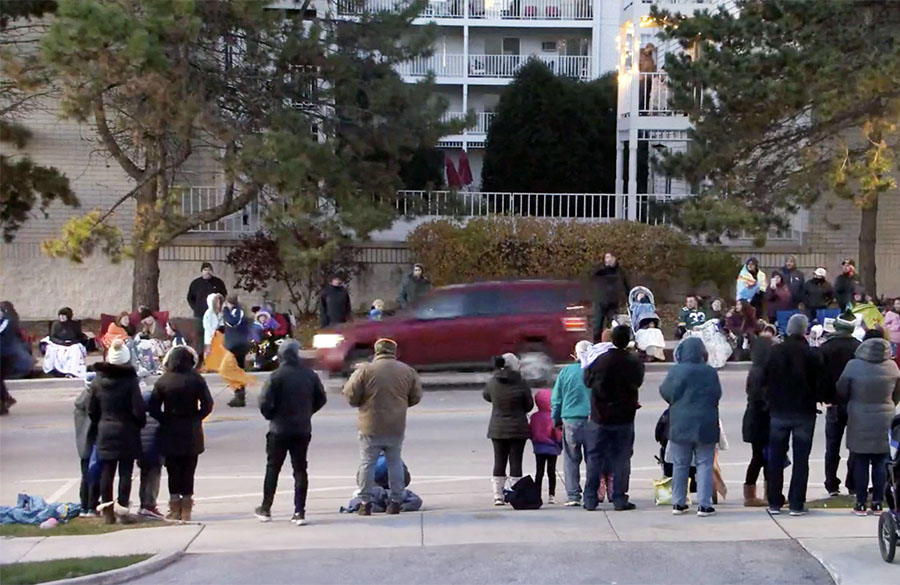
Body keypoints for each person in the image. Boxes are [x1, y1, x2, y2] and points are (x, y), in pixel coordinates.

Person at [343, 338, 422, 515]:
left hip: (370, 425)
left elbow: (350, 394)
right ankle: (395, 501)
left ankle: (365, 502)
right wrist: (400, 405)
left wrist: (361, 403)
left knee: (367, 463)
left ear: (376, 351)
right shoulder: (406, 371)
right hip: (395, 425)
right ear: (393, 351)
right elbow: (416, 396)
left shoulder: (365, 370)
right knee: (394, 462)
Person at [255, 340, 327, 526]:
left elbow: (264, 402)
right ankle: (299, 511)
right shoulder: (309, 375)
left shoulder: (276, 376)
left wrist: (271, 415)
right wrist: (308, 412)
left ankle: (266, 507)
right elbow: (321, 398)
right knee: (300, 469)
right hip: (302, 428)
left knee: (273, 468)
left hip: (279, 428)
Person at [764, 313, 824, 516]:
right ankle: (797, 502)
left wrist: (768, 400)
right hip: (804, 412)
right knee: (801, 460)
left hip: (779, 410)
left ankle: (774, 501)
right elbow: (822, 383)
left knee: (776, 458)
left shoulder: (775, 352)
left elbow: (764, 379)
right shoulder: (811, 354)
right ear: (804, 330)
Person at [836, 334, 900, 515]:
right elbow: (897, 392)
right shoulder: (892, 367)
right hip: (885, 416)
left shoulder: (853, 366)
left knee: (860, 460)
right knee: (881, 461)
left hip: (859, 415)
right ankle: (878, 502)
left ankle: (861, 502)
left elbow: (842, 390)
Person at [582, 325, 644, 511]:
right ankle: (619, 497)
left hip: (599, 417)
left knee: (594, 457)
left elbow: (587, 381)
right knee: (622, 458)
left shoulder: (599, 361)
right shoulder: (634, 362)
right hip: (624, 417)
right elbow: (637, 383)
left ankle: (590, 498)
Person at [149, 346, 214, 522]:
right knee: (189, 470)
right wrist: (197, 418)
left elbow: (153, 407)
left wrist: (164, 418)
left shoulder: (163, 381)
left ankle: (174, 505)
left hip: (170, 428)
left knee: (173, 470)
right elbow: (208, 404)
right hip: (191, 429)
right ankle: (187, 507)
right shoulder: (196, 379)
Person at [660, 337, 723, 517]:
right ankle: (704, 504)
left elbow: (665, 391)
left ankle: (679, 503)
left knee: (680, 464)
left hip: (680, 423)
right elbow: (717, 394)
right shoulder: (710, 372)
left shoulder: (676, 371)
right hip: (706, 423)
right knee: (704, 464)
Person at [89, 340, 146, 524]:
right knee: (125, 472)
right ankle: (122, 510)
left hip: (105, 429)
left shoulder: (98, 381)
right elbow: (138, 408)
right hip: (127, 430)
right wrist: (139, 423)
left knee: (107, 471)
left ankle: (107, 511)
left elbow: (92, 409)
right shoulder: (130, 381)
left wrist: (100, 423)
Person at [483, 353, 533, 506]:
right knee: (516, 461)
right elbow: (529, 405)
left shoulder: (493, 382)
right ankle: (515, 492)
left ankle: (498, 495)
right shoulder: (521, 382)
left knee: (499, 460)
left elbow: (486, 396)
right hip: (518, 427)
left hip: (498, 427)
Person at [820, 313, 861, 496]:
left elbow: (819, 375)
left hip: (833, 402)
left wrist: (823, 396)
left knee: (832, 446)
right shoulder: (858, 348)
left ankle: (831, 484)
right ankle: (852, 482)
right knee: (854, 445)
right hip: (854, 401)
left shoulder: (825, 348)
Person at [550, 340, 593, 507]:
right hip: (592, 419)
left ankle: (573, 495)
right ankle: (591, 493)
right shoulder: (594, 372)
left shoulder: (566, 372)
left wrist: (556, 420)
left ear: (574, 354)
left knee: (571, 459)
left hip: (570, 419)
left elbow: (556, 399)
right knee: (593, 459)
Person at [742, 336, 773, 507]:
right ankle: (761, 494)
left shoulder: (755, 369)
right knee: (763, 457)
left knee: (760, 457)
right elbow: (761, 396)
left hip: (753, 419)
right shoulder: (763, 372)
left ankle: (753, 492)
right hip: (761, 419)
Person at [187, 262, 227, 357]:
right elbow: (190, 298)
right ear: (201, 271)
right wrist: (196, 307)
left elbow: (223, 295)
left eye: (209, 270)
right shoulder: (195, 283)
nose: (207, 272)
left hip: (215, 315)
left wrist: (219, 308)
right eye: (205, 270)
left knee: (215, 336)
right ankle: (200, 357)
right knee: (200, 337)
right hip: (200, 315)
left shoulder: (218, 282)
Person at [529, 389, 562, 504]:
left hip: (539, 447)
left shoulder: (534, 417)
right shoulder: (553, 417)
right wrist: (559, 444)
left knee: (539, 471)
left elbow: (530, 431)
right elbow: (558, 433)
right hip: (552, 447)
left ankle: (537, 493)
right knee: (551, 471)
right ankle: (551, 494)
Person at [74, 379, 98, 517]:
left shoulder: (78, 406)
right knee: (94, 475)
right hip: (92, 444)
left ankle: (84, 505)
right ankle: (91, 506)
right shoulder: (91, 402)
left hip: (82, 447)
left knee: (85, 475)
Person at [137, 386, 163, 519]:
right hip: (155, 453)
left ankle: (143, 503)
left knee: (144, 478)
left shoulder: (138, 418)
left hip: (141, 453)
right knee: (153, 480)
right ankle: (149, 505)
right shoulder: (158, 417)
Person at [592, 252, 629, 341]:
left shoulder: (620, 271)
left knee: (612, 325)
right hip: (600, 301)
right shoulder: (600, 270)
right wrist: (604, 266)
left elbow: (626, 285)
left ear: (614, 258)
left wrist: (628, 298)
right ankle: (596, 344)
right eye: (606, 257)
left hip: (613, 302)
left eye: (609, 257)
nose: (607, 260)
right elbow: (593, 275)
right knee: (597, 326)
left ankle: (611, 344)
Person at [223, 295, 252, 407]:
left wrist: (225, 311)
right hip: (234, 345)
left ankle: (239, 396)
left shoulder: (237, 312)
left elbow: (232, 322)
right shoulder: (235, 312)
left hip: (238, 345)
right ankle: (238, 394)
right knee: (235, 370)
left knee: (234, 370)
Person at [42, 307, 88, 378]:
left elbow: (80, 337)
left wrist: (72, 342)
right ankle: (54, 370)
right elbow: (52, 337)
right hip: (58, 343)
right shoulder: (55, 324)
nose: (61, 317)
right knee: (52, 349)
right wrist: (61, 342)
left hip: (71, 344)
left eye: (64, 316)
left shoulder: (74, 325)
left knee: (76, 350)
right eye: (60, 315)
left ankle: (72, 371)